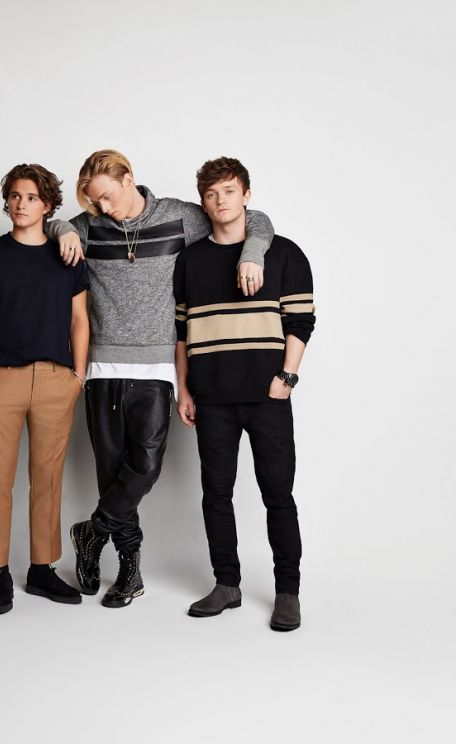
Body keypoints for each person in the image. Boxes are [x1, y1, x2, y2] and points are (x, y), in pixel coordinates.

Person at [48, 150, 273, 608]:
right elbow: (51, 225)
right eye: (94, 202)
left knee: (145, 467)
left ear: (128, 179)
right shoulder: (90, 225)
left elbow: (252, 219)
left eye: (108, 196)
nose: (103, 208)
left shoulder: (178, 217)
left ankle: (91, 531)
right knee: (111, 474)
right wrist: (64, 228)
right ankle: (129, 573)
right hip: (102, 366)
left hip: (156, 366)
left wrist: (252, 254)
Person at [174, 157, 315, 631]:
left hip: (267, 396)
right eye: (211, 194)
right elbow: (181, 332)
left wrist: (286, 379)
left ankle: (288, 592)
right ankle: (227, 584)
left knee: (278, 495)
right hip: (211, 398)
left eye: (229, 191)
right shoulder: (190, 260)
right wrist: (184, 389)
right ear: (203, 202)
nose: (221, 201)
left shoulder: (285, 253)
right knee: (216, 495)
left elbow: (301, 322)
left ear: (247, 195)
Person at [0, 163, 89, 615]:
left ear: (48, 205)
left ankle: (41, 568)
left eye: (32, 197)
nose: (21, 204)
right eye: (15, 196)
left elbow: (80, 320)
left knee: (47, 478)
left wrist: (77, 376)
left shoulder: (68, 257)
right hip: (0, 379)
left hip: (56, 380)